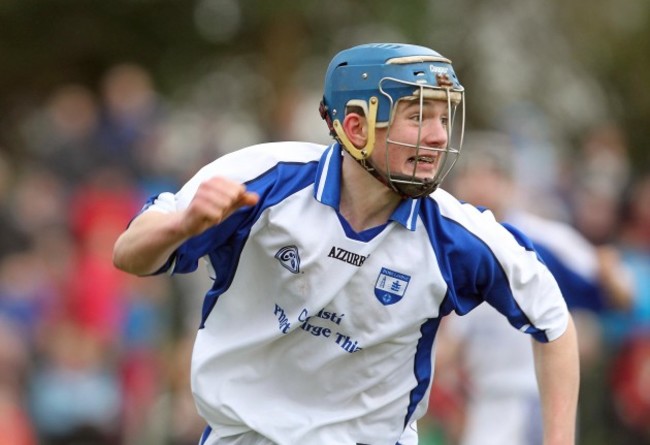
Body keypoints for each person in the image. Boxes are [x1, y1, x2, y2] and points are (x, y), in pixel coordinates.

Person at [113, 43, 579, 445]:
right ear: (356, 128)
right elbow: (129, 254)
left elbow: (553, 322)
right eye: (419, 116)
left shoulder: (458, 234)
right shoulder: (265, 180)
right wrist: (182, 227)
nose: (439, 136)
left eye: (443, 116)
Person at [433, 130, 632, 445]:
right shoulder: (453, 247)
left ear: (510, 184)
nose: (480, 185)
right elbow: (452, 341)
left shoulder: (543, 240)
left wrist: (607, 272)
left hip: (537, 394)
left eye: (490, 175)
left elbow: (618, 294)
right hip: (487, 398)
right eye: (472, 175)